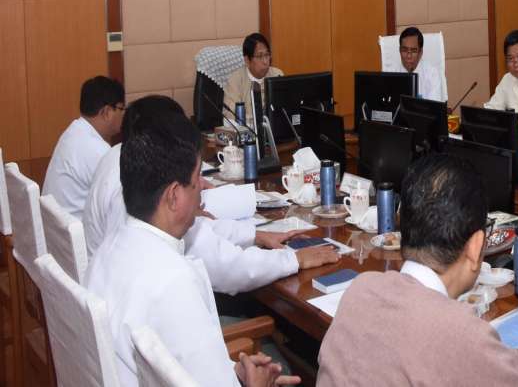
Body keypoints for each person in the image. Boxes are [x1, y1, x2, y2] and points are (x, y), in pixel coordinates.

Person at [317, 154, 518, 387]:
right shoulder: (459, 333)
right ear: (475, 247)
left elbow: (476, 365)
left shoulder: (362, 289)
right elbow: (463, 353)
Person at [86, 113, 302, 387]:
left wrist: (234, 371)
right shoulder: (174, 281)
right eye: (197, 177)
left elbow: (183, 367)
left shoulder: (109, 248)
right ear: (174, 195)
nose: (202, 186)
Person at [83, 95, 339, 291]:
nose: (200, 187)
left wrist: (254, 235)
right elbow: (226, 266)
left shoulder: (124, 161)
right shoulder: (147, 199)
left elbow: (199, 231)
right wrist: (293, 260)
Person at [43, 76, 124, 219]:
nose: (123, 114)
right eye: (121, 108)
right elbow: (120, 206)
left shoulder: (74, 131)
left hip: (55, 226)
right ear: (106, 112)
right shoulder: (98, 151)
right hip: (75, 230)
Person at [223, 33, 284, 126]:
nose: (265, 61)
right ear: (247, 60)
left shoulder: (277, 75)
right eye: (259, 56)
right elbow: (230, 115)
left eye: (267, 55)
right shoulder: (235, 80)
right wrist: (257, 122)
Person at [387, 27, 444, 102]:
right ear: (399, 50)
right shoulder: (390, 74)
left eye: (413, 51)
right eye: (404, 50)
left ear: (420, 52)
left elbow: (433, 107)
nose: (408, 56)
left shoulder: (432, 74)